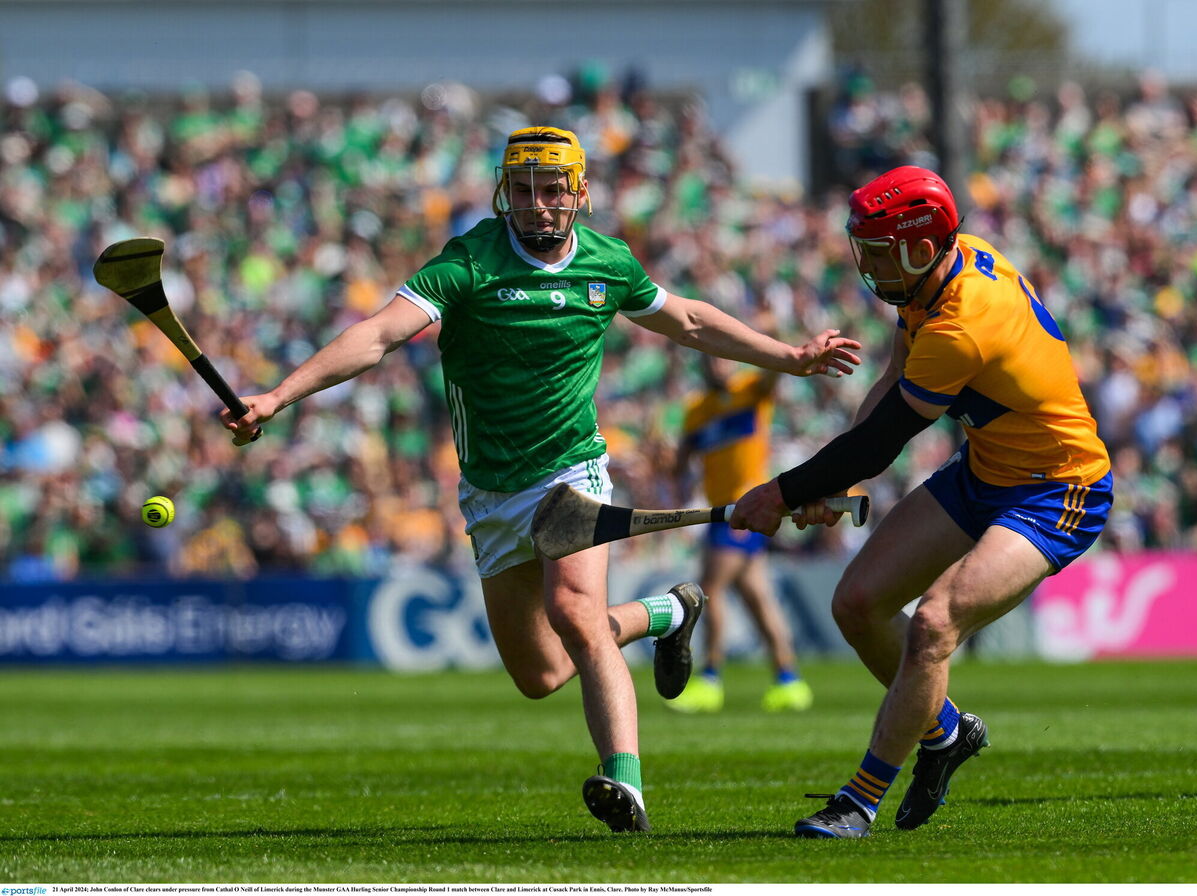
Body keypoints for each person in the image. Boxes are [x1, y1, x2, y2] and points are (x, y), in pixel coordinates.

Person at [223, 127, 861, 833]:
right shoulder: (470, 261)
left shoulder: (607, 263)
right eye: (523, 191)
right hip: (490, 489)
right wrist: (279, 396)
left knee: (577, 617)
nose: (537, 205)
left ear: (580, 193)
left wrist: (790, 357)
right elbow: (377, 335)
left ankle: (626, 785)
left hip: (572, 468)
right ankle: (665, 614)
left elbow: (689, 321)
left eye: (552, 190)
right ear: (506, 193)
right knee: (540, 676)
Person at [731, 165, 1112, 838]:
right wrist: (836, 485)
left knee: (935, 624)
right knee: (856, 603)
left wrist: (780, 492)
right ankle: (945, 735)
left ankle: (860, 799)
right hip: (983, 475)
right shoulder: (935, 278)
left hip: (1058, 492)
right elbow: (889, 382)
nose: (866, 263)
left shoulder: (963, 323)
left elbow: (882, 444)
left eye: (878, 249)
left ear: (917, 245)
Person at [669, 355, 814, 713]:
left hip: (744, 509)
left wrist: (772, 339)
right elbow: (681, 463)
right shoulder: (697, 409)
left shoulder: (750, 389)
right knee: (757, 597)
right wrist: (672, 467)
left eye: (723, 360)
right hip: (722, 511)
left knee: (710, 590)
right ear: (701, 366)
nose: (718, 367)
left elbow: (774, 372)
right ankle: (789, 681)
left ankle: (710, 679)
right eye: (711, 362)